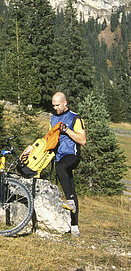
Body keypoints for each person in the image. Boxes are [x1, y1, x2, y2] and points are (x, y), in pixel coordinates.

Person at [51, 91, 86, 237]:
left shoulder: (75, 118)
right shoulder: (53, 118)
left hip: (72, 155)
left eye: (57, 105)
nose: (55, 108)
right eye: (53, 105)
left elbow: (82, 140)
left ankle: (70, 201)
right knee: (70, 187)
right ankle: (74, 225)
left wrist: (67, 130)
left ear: (65, 103)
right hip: (59, 156)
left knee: (62, 167)